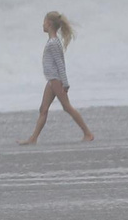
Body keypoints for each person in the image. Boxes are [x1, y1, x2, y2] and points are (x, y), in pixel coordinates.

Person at [19, 11, 94, 144]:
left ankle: (88, 133)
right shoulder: (53, 41)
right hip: (51, 80)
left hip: (56, 80)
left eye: (44, 22)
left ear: (49, 24)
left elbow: (60, 64)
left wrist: (65, 83)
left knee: (67, 107)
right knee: (43, 109)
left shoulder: (53, 43)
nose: (42, 25)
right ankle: (33, 138)